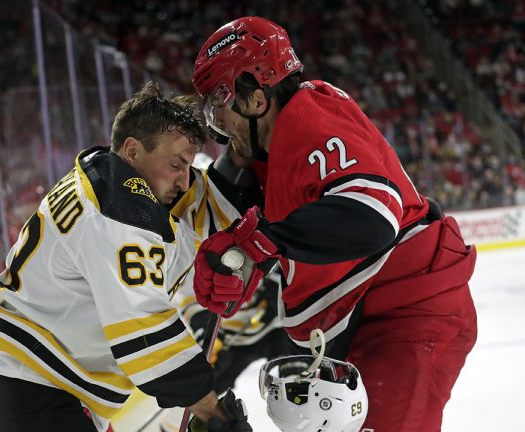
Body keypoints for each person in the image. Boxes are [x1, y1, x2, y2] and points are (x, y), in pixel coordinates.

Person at [190, 17, 477, 432]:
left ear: (255, 98)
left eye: (219, 105)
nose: (219, 129)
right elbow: (242, 203)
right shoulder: (276, 141)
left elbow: (372, 216)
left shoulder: (310, 123)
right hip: (366, 318)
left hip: (408, 316)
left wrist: (262, 245)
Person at [0, 82, 254, 432]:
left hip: (12, 374)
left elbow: (202, 204)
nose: (184, 180)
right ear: (133, 150)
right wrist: (213, 412)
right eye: (176, 164)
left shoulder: (113, 180)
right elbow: (143, 331)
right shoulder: (118, 210)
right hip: (18, 380)